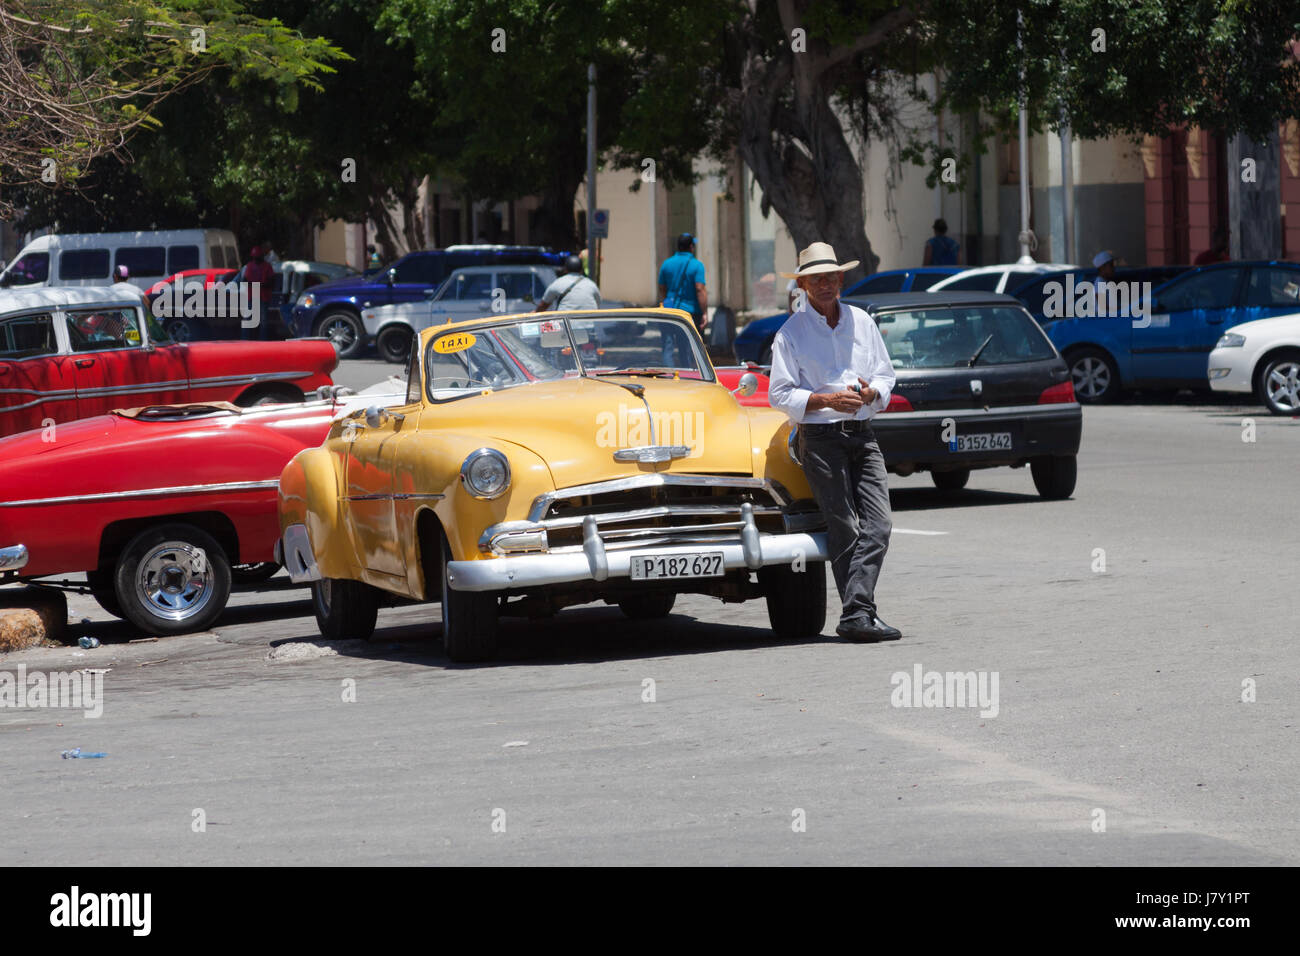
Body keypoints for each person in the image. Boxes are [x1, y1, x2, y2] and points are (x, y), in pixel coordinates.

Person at [768, 242, 900, 643]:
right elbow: (779, 393)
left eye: (832, 277)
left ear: (841, 280)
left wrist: (871, 394)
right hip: (821, 437)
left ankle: (856, 612)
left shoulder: (862, 321)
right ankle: (859, 614)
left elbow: (885, 375)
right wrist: (824, 399)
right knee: (844, 526)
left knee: (880, 524)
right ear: (804, 284)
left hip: (861, 432)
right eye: (817, 279)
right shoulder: (790, 333)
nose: (825, 285)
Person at [657, 232, 707, 364]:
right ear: (691, 247)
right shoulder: (697, 265)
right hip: (690, 313)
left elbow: (662, 288)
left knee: (667, 348)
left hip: (669, 312)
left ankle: (669, 377)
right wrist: (705, 313)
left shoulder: (666, 264)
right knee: (688, 350)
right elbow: (699, 289)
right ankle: (688, 378)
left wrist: (667, 300)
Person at [536, 255, 601, 312]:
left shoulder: (557, 283)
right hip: (590, 325)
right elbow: (597, 304)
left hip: (565, 325)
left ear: (565, 269)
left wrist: (534, 312)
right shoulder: (591, 284)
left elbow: (543, 306)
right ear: (581, 270)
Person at [241, 246, 276, 341]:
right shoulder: (250, 266)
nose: (256, 259)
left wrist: (260, 285)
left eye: (258, 257)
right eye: (255, 257)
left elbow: (272, 282)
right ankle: (245, 339)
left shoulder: (267, 266)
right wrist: (256, 284)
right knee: (248, 319)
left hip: (263, 297)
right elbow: (245, 281)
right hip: (252, 296)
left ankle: (263, 340)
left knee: (263, 320)